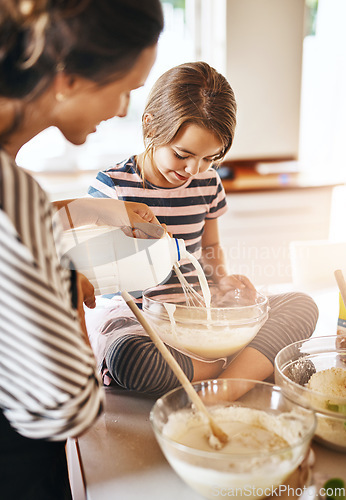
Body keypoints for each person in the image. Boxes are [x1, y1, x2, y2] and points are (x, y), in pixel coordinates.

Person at [0, 0, 163, 499]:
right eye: (125, 90)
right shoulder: (12, 190)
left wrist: (92, 214)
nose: (121, 110)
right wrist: (65, 282)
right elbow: (65, 405)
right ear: (67, 77)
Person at [88, 61, 319, 396]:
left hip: (199, 310)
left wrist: (222, 279)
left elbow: (209, 250)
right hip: (139, 318)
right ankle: (234, 366)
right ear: (150, 124)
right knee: (128, 358)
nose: (193, 170)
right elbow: (97, 274)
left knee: (301, 304)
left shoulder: (207, 183)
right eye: (183, 154)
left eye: (209, 159)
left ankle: (217, 385)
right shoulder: (112, 186)